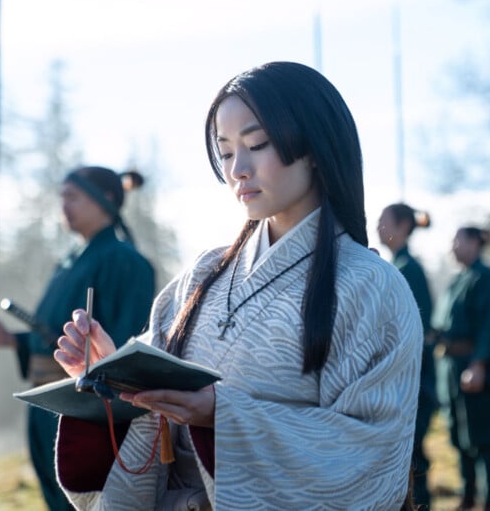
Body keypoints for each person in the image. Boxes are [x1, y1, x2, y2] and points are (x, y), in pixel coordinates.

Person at [52, 61, 423, 510]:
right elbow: (154, 407)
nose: (237, 170)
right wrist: (113, 376)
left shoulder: (371, 287)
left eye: (256, 144)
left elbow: (369, 453)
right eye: (226, 152)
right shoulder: (203, 273)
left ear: (312, 147)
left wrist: (221, 415)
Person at [0, 166, 156, 511]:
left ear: (105, 200)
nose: (63, 205)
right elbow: (53, 334)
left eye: (72, 196)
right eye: (62, 197)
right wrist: (13, 339)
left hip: (85, 409)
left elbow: (123, 345)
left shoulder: (126, 262)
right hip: (49, 402)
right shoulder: (69, 262)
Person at [431, 226, 490, 511]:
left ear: (475, 243)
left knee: (481, 440)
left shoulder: (487, 280)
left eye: (458, 240)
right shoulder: (456, 282)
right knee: (458, 437)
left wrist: (479, 364)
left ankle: (489, 503)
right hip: (449, 368)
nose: (453, 246)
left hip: (475, 367)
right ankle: (467, 498)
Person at [378, 203, 436, 509]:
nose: (377, 227)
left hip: (412, 382)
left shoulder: (406, 270)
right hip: (407, 382)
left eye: (383, 221)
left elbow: (414, 331)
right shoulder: (398, 266)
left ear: (402, 227)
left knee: (411, 456)